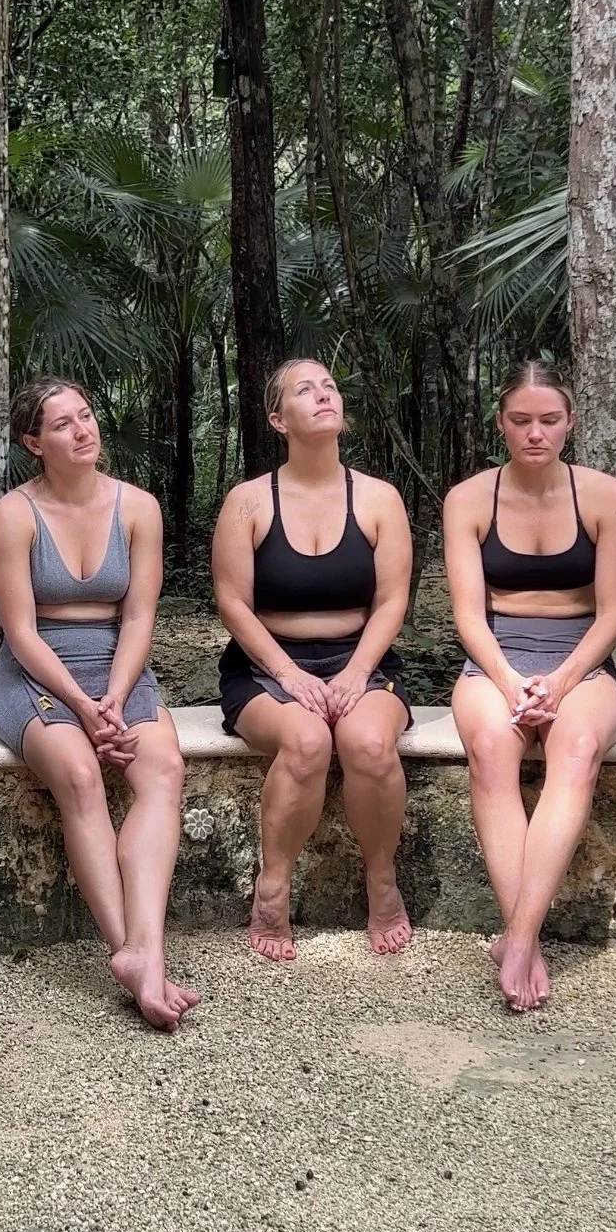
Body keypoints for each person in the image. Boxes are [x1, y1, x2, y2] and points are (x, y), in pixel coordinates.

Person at [0, 376, 197, 1031]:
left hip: (118, 668)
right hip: (37, 673)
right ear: (33, 442)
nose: (84, 430)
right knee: (80, 775)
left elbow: (138, 617)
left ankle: (146, 950)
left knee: (163, 770)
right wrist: (81, 704)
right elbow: (20, 631)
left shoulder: (138, 507)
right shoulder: (14, 514)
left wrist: (113, 694)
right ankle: (126, 952)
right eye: (62, 424)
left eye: (86, 415)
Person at [444, 358, 616, 1012]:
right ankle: (524, 936)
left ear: (570, 421)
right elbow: (469, 614)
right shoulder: (469, 499)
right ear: (501, 423)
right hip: (496, 656)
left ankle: (519, 939)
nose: (535, 433)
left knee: (576, 751)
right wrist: (511, 680)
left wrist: (558, 681)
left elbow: (613, 612)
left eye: (549, 420)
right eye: (521, 420)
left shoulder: (606, 496)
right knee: (493, 751)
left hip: (579, 657)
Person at [212, 359, 414, 964]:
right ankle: (273, 886)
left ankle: (381, 881)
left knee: (370, 746)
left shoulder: (379, 498)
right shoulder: (249, 502)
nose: (324, 395)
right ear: (279, 419)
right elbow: (233, 603)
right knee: (305, 743)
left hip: (362, 658)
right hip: (265, 664)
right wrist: (289, 674)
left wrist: (355, 673)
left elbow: (393, 599)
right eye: (306, 390)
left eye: (330, 386)